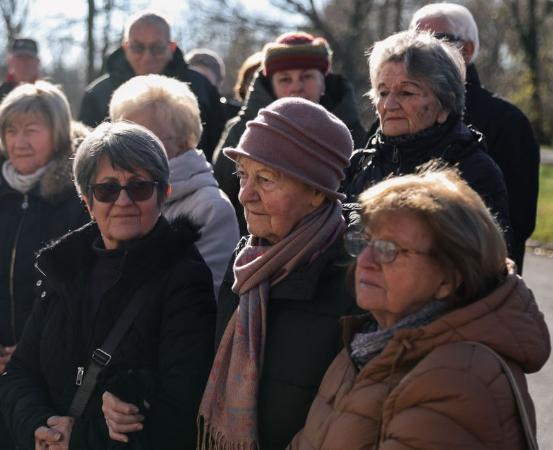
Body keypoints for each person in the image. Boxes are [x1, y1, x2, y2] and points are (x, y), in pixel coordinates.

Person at [289, 168, 550, 449]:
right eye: (365, 241)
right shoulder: (368, 344)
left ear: (449, 276)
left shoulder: (455, 381)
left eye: (389, 249)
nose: (365, 260)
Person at [0, 122, 216, 450]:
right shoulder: (64, 267)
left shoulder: (184, 279)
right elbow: (20, 372)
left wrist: (82, 440)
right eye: (107, 189)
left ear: (164, 195)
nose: (124, 200)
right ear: (87, 201)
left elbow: (179, 409)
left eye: (140, 187)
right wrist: (39, 427)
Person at [197, 98, 358, 450]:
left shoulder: (355, 280)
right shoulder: (245, 259)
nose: (245, 194)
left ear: (317, 192)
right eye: (243, 174)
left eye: (265, 179)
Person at [0, 81, 89, 450]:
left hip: (48, 379)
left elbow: (78, 292)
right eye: (10, 130)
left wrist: (29, 352)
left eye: (32, 130)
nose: (19, 141)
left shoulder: (79, 203)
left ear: (58, 134)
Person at [342, 30, 511, 248]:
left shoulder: (473, 173)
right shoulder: (361, 164)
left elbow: (486, 266)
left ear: (445, 105)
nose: (389, 105)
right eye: (383, 93)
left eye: (406, 93)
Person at [410, 3, 539, 273]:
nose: (419, 54)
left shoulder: (508, 122)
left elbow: (516, 222)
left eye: (435, 42)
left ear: (466, 50)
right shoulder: (395, 114)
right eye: (413, 43)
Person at [214, 32, 367, 234]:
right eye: (285, 79)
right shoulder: (241, 130)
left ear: (323, 81)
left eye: (306, 76)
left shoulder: (353, 131)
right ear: (271, 85)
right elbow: (225, 197)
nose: (296, 86)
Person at [109, 74, 239, 297]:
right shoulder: (110, 195)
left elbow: (206, 300)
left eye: (143, 139)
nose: (128, 150)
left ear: (185, 140)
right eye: (122, 137)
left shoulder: (211, 209)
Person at [78, 11, 225, 157]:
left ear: (171, 47)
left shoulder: (201, 88)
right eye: (137, 47)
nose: (147, 57)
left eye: (157, 48)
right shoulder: (98, 94)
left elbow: (219, 150)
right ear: (126, 47)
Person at [0, 38, 41, 146]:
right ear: (10, 61)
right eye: (19, 58)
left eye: (28, 58)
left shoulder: (48, 97)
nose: (24, 63)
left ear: (37, 62)